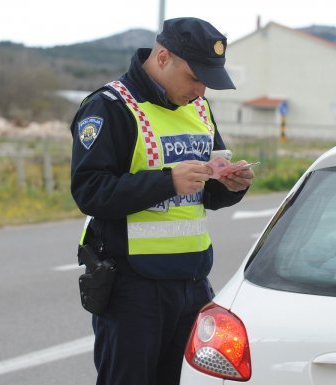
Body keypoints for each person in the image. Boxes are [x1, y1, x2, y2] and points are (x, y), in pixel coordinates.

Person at [69, 17, 254, 385]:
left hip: (192, 282)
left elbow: (204, 192)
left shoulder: (199, 107)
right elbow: (89, 191)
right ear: (164, 57)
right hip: (132, 288)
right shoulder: (110, 106)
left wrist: (231, 185)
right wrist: (167, 181)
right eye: (195, 77)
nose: (201, 90)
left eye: (208, 81)